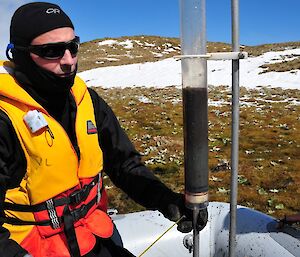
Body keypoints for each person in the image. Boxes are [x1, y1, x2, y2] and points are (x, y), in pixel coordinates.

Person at [0, 2, 208, 257]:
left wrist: (167, 200)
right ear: (19, 55)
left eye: (72, 47)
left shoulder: (86, 100)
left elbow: (123, 165)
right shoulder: (5, 119)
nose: (68, 61)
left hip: (95, 238)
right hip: (36, 250)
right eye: (52, 51)